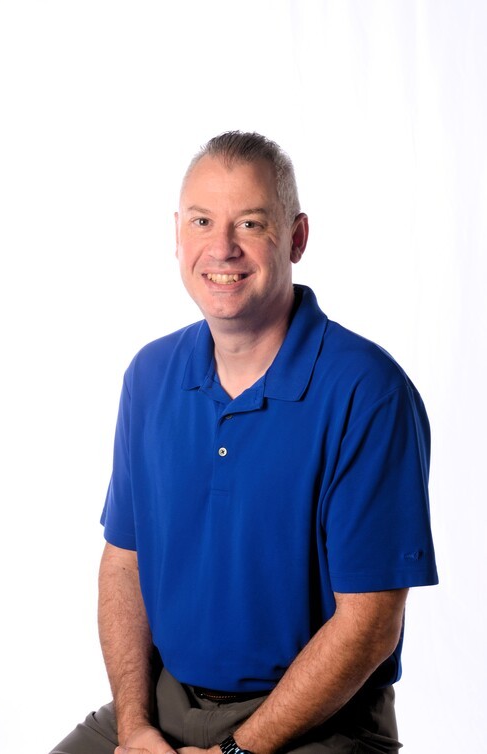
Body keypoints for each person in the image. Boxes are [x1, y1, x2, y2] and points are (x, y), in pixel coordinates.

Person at [50, 131, 438, 754]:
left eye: (251, 223)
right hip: (166, 701)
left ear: (297, 237)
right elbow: (124, 563)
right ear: (178, 234)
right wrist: (135, 726)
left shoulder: (368, 392)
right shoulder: (149, 376)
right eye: (202, 221)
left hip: (321, 721)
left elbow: (369, 624)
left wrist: (237, 751)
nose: (221, 247)